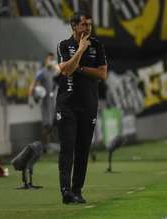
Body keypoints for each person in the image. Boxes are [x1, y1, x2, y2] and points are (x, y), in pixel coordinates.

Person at [56, 12, 107, 204]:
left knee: (83, 149)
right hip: (67, 105)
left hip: (89, 105)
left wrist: (80, 69)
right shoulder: (63, 45)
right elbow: (66, 69)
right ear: (74, 26)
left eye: (89, 25)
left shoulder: (98, 46)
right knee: (67, 147)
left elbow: (102, 74)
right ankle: (65, 191)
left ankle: (77, 190)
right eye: (84, 25)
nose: (88, 28)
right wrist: (80, 50)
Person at [28, 53, 58, 151]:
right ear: (46, 60)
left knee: (51, 124)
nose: (51, 61)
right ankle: (43, 146)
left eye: (52, 59)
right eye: (50, 59)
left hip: (53, 101)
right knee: (47, 124)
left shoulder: (54, 72)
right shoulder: (42, 72)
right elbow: (33, 84)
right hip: (45, 102)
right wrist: (31, 99)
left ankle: (46, 145)